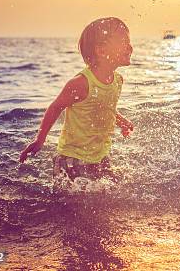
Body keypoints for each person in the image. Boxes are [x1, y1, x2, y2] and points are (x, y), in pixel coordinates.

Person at [19, 17, 134, 180]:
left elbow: (103, 107)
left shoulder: (117, 80)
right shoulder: (81, 83)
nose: (130, 47)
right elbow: (55, 107)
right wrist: (40, 139)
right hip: (72, 158)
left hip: (99, 154)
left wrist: (120, 120)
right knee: (72, 201)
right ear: (101, 51)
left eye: (129, 41)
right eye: (123, 41)